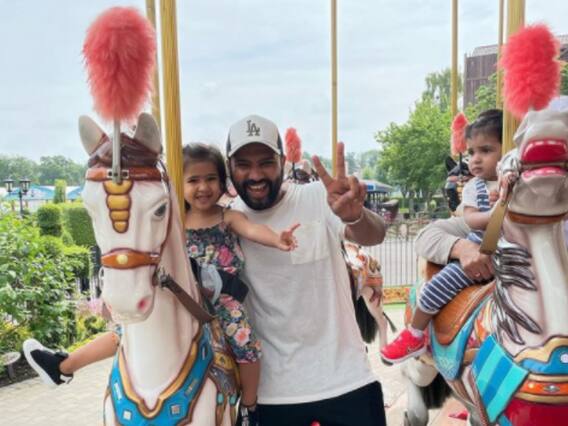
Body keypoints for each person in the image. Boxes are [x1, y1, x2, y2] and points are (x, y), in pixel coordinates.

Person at [23, 142, 300, 424]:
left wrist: (276, 238)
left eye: (210, 179)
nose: (203, 187)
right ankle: (63, 365)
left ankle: (249, 407)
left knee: (245, 342)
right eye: (193, 180)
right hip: (183, 295)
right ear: (180, 185)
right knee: (127, 329)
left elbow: (252, 229)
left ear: (222, 182)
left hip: (221, 300)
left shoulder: (227, 216)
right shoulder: (174, 220)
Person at [224, 114, 387, 425]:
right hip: (272, 393)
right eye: (243, 164)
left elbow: (374, 234)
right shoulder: (229, 221)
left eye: (266, 163)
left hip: (346, 379)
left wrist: (355, 216)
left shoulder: (317, 197)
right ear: (229, 167)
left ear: (283, 162)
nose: (255, 175)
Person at [380, 109, 504, 364]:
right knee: (438, 285)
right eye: (471, 153)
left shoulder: (521, 183)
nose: (475, 160)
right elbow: (469, 218)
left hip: (518, 257)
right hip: (483, 253)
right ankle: (415, 334)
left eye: (486, 150)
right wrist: (495, 212)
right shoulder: (474, 187)